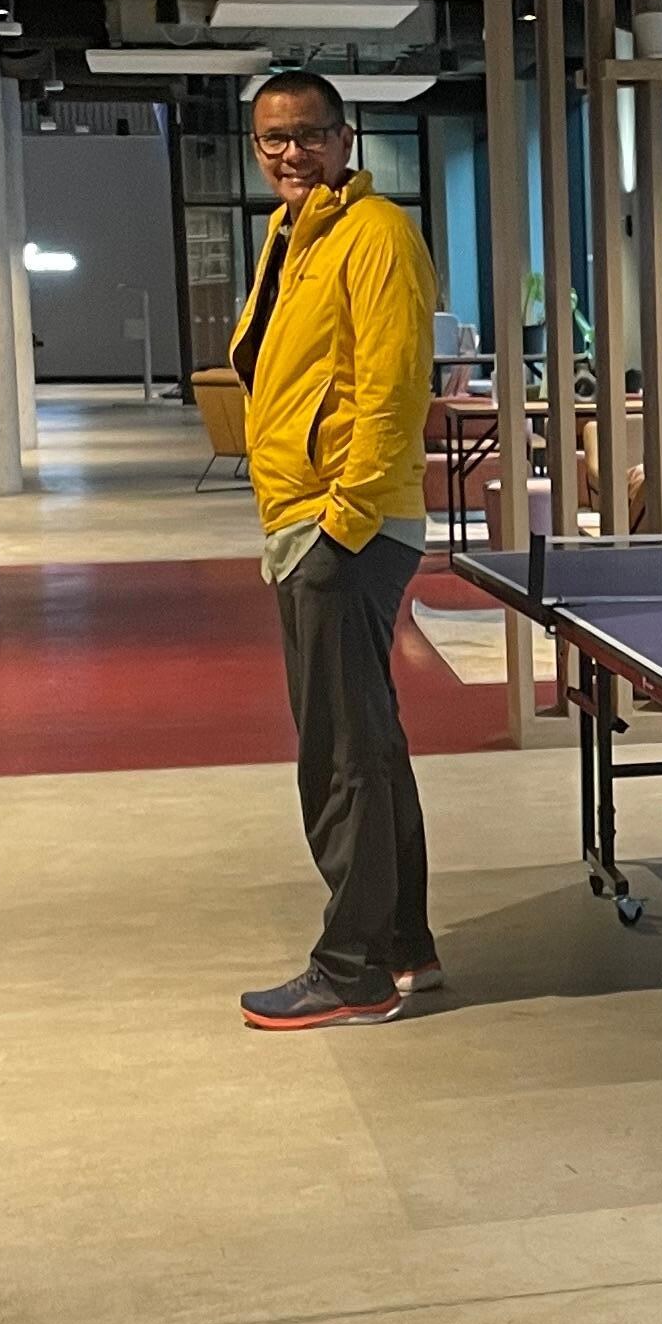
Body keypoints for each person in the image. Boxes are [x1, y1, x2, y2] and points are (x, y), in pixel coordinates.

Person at [229, 67, 443, 1030]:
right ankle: (401, 944)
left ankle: (351, 968)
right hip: (305, 516)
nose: (292, 154)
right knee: (370, 745)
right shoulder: (290, 237)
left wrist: (342, 519)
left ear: (345, 138)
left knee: (340, 756)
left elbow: (394, 387)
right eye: (274, 139)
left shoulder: (376, 234)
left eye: (310, 135)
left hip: (343, 524)